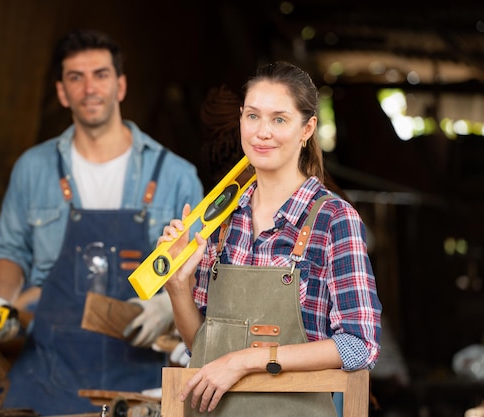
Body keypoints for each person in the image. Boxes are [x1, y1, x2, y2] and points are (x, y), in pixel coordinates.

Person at [0, 29, 203, 415]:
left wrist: (167, 306)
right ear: (62, 92)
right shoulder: (33, 169)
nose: (89, 88)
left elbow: (204, 268)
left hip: (143, 375)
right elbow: (10, 250)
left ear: (121, 86)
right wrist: (1, 296)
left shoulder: (176, 175)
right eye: (75, 78)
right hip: (49, 369)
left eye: (100, 74)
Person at [159, 61, 382, 416]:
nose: (263, 132)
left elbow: (358, 346)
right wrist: (177, 286)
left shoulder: (333, 219)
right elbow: (199, 348)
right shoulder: (219, 220)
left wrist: (248, 360)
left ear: (307, 128)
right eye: (252, 116)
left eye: (279, 119)